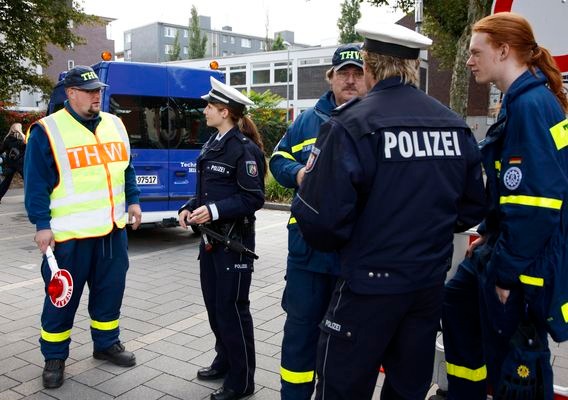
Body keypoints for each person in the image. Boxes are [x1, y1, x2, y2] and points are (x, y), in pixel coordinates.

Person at [290, 22, 487, 400]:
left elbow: (319, 221)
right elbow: (470, 209)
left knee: (343, 388)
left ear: (368, 64)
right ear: (414, 66)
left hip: (366, 287)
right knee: (408, 388)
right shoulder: (453, 125)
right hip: (426, 286)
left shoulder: (350, 124)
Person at [440, 12, 568, 400]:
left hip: (522, 264)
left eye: (476, 52)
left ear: (503, 50)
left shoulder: (530, 107)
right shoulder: (523, 101)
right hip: (505, 247)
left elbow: (537, 205)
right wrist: (490, 236)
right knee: (457, 303)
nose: (468, 60)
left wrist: (506, 275)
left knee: (518, 368)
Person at [24, 65, 142, 389]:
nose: (96, 96)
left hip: (111, 231)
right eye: (89, 91)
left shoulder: (115, 124)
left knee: (110, 292)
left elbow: (125, 169)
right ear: (70, 93)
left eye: (99, 90)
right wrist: (41, 225)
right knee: (62, 300)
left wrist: (133, 200)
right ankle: (54, 357)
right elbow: (36, 185)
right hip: (69, 238)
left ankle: (106, 344)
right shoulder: (47, 131)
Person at [269, 43, 367, 400]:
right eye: (344, 73)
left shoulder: (373, 119)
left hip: (351, 253)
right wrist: (297, 174)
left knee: (344, 339)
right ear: (331, 77)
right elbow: (278, 157)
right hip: (307, 254)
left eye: (358, 73)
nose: (351, 80)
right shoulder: (308, 119)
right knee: (300, 334)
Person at [178, 76, 265, 400]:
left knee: (233, 309)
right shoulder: (213, 143)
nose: (204, 111)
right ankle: (224, 360)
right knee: (215, 307)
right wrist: (190, 207)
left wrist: (213, 211)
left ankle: (242, 381)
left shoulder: (244, 150)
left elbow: (253, 198)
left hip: (234, 244)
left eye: (209, 107)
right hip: (211, 242)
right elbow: (206, 192)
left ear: (224, 111)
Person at [0, 122, 26, 203]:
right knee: (27, 180)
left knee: (6, 182)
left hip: (13, 164)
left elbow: (1, 150)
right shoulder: (19, 139)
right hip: (18, 164)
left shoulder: (9, 140)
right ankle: (32, 196)